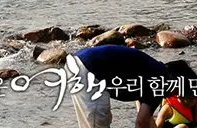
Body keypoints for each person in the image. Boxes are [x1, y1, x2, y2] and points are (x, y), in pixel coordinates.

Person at [64, 45, 197, 128]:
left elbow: (145, 117)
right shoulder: (161, 81)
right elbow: (141, 123)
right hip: (88, 68)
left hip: (81, 64)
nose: (175, 96)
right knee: (97, 122)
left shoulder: (156, 74)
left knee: (99, 119)